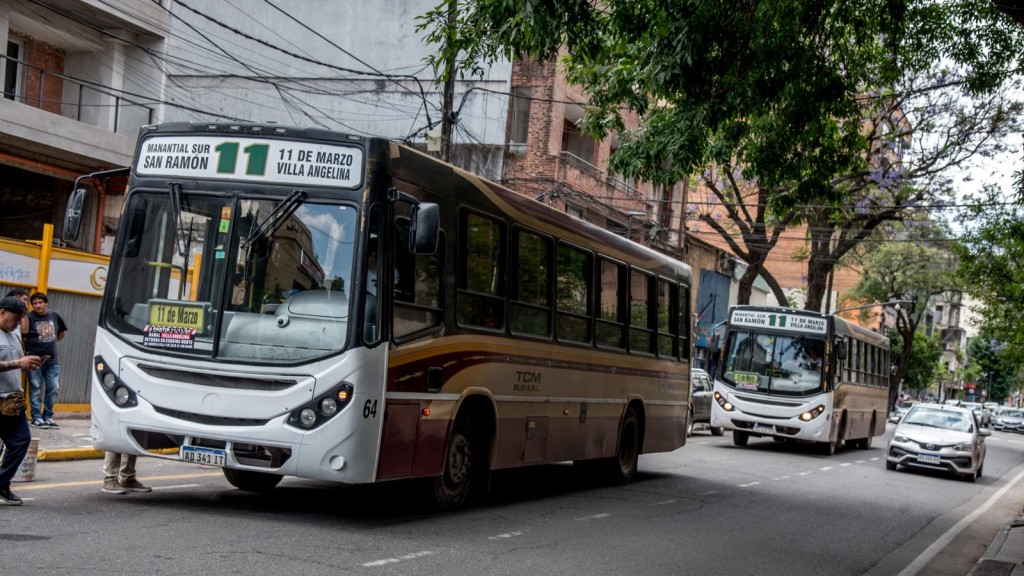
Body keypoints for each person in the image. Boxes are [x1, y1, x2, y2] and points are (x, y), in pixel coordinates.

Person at [0, 296, 45, 506]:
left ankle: (1, 484)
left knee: (21, 440)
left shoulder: (14, 333)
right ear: (2, 313)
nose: (18, 323)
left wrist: (30, 364)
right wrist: (18, 362)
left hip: (12, 401)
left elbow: (15, 363)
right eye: (16, 318)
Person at [23, 292, 67, 430]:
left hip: (52, 360)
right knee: (35, 387)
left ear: (46, 303)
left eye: (40, 302)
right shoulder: (29, 317)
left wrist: (50, 345)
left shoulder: (55, 315)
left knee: (53, 387)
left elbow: (61, 334)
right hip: (34, 360)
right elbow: (23, 336)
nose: (38, 305)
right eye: (35, 303)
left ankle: (48, 416)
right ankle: (36, 417)